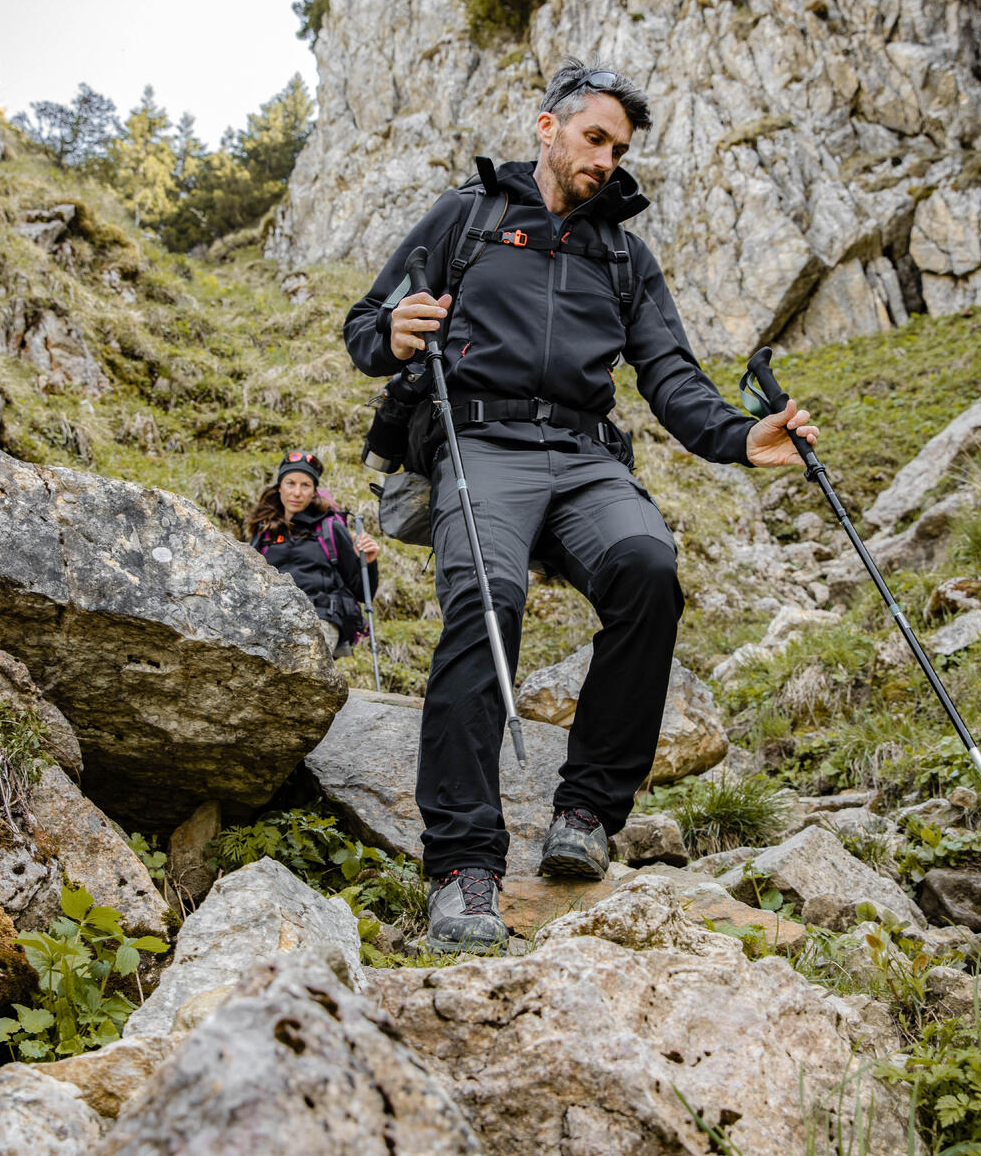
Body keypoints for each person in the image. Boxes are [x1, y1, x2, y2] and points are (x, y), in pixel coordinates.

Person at [344, 58, 819, 952]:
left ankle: (588, 814)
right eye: (594, 138)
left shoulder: (622, 255)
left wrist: (736, 437)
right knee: (488, 604)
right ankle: (462, 868)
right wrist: (393, 334)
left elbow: (670, 374)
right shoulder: (468, 217)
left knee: (648, 570)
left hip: (585, 456)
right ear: (547, 127)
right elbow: (369, 324)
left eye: (620, 147)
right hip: (479, 442)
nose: (606, 159)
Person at [248, 449, 380, 658]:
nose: (297, 492)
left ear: (314, 491)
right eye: (290, 483)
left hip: (321, 616)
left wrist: (369, 562)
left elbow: (363, 593)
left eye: (305, 485)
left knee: (299, 665)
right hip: (271, 616)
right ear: (279, 487)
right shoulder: (264, 531)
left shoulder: (329, 526)